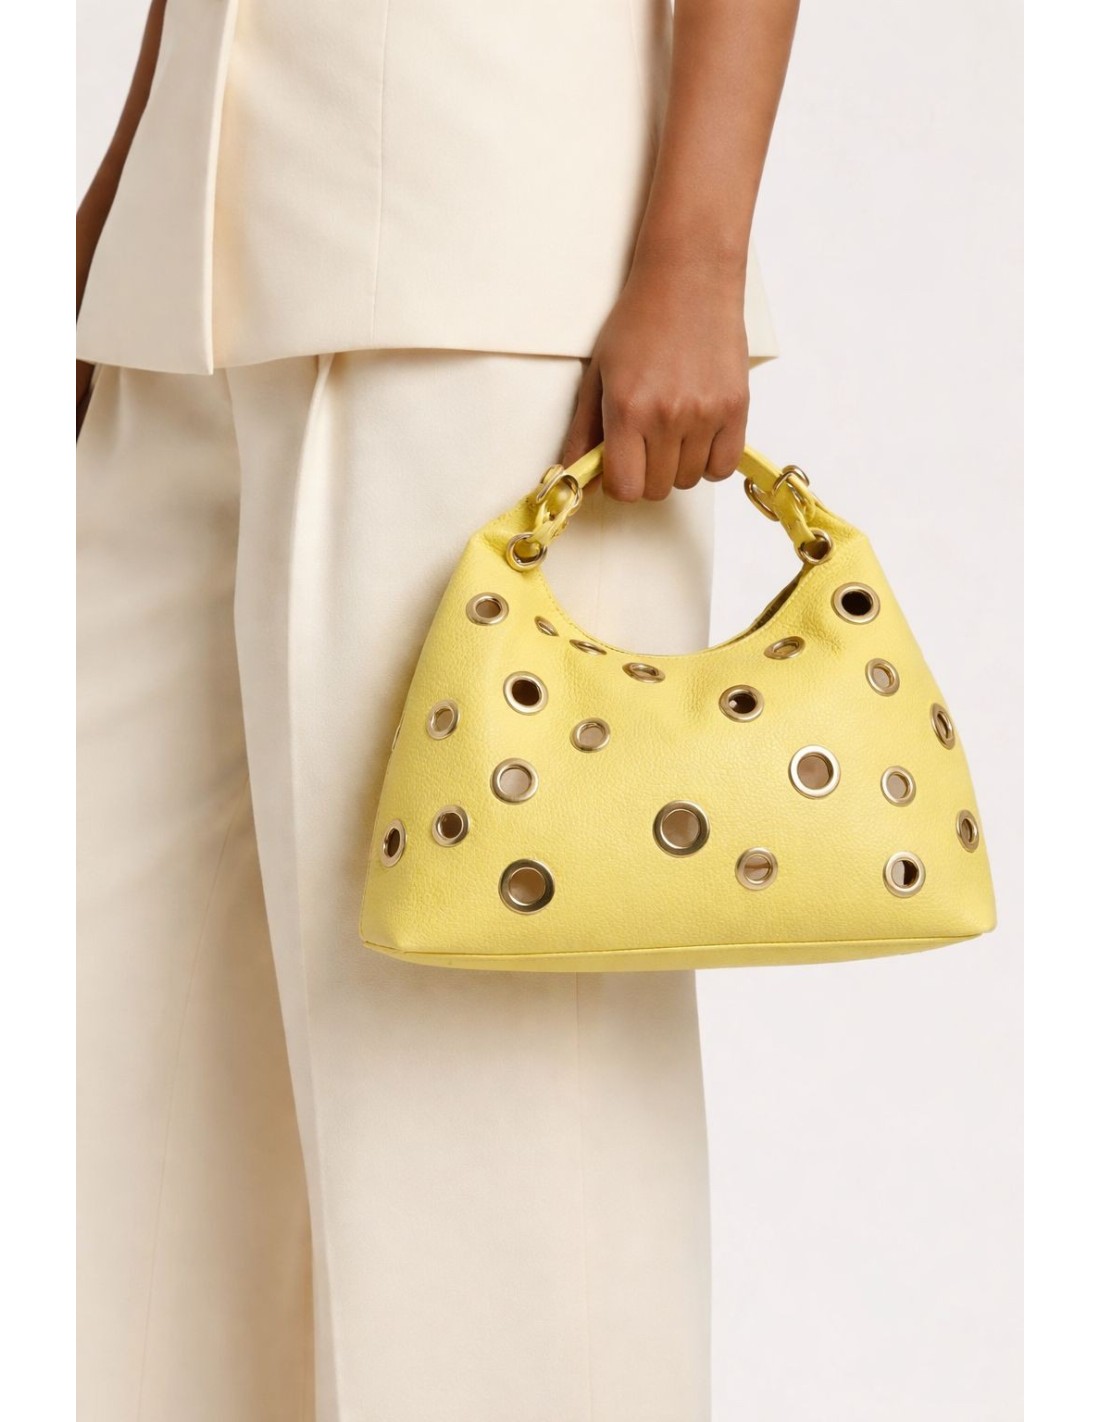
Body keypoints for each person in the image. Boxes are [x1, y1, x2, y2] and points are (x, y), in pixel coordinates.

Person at [76, 1, 799, 1417]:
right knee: (127, 1067)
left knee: (485, 1121)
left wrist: (699, 255)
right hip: (185, 279)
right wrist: (121, 186)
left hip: (499, 290)